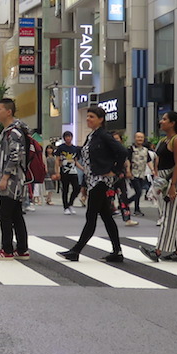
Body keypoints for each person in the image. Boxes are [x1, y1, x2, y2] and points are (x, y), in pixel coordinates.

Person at [58, 105, 127, 262]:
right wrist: (84, 184)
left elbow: (122, 152)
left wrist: (115, 171)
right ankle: (117, 251)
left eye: (91, 117)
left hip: (101, 180)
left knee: (91, 215)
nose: (88, 119)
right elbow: (88, 162)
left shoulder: (104, 135)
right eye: (87, 116)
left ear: (101, 120)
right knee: (106, 216)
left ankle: (76, 251)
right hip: (93, 180)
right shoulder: (92, 136)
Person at [140, 112, 177, 262]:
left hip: (174, 179)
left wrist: (173, 185)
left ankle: (158, 250)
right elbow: (158, 161)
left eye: (165, 119)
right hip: (163, 179)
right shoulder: (164, 140)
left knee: (168, 215)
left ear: (173, 123)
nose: (161, 121)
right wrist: (157, 179)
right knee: (175, 216)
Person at [0, 97, 31, 260]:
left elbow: (15, 156)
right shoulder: (12, 131)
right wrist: (0, 173)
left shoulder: (13, 132)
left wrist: (4, 177)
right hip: (17, 178)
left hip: (13, 180)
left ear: (8, 112)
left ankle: (6, 249)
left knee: (4, 214)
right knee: (16, 215)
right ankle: (21, 249)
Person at [55, 130, 81, 215]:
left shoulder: (75, 148)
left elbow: (76, 161)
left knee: (77, 188)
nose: (68, 138)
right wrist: (57, 171)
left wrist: (82, 168)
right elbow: (57, 160)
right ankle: (65, 207)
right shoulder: (61, 148)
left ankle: (71, 204)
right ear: (64, 138)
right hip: (64, 171)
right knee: (65, 189)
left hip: (73, 171)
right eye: (66, 137)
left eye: (69, 136)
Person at [128, 133, 154, 214]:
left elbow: (148, 161)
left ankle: (127, 202)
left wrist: (153, 170)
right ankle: (136, 209)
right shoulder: (130, 149)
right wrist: (128, 171)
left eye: (141, 137)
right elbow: (127, 160)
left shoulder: (145, 150)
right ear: (135, 138)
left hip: (142, 174)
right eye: (138, 137)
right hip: (133, 173)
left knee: (139, 191)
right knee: (139, 191)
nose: (140, 139)